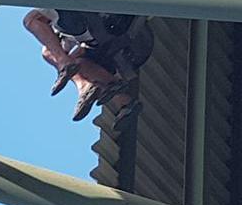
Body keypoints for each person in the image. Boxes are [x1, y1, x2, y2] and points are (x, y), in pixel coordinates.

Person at [23, 8, 152, 121]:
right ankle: (122, 101)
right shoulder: (62, 32)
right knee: (75, 61)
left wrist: (64, 60)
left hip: (114, 29)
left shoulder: (55, 10)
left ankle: (72, 71)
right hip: (124, 45)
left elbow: (34, 20)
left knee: (31, 20)